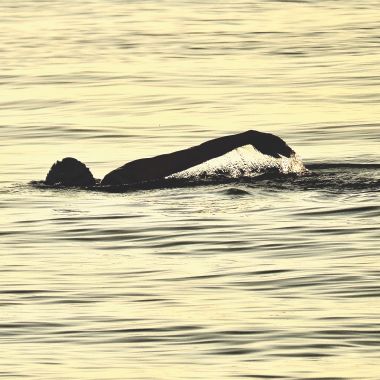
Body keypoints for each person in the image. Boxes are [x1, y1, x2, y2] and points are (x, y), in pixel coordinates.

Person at [44, 130, 295, 187]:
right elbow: (191, 157)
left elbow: (189, 157)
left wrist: (247, 137)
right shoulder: (116, 182)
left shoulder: (118, 179)